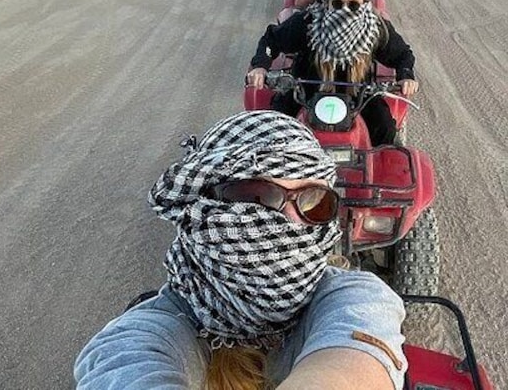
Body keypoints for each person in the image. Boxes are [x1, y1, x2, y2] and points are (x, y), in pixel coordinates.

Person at [74, 110, 407, 390]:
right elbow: (121, 366)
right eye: (257, 196)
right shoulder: (148, 332)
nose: (289, 223)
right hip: (302, 93)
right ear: (202, 202)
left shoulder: (353, 297)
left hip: (348, 97)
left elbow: (358, 348)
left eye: (314, 203)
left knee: (380, 119)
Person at [248, 0, 418, 147]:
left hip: (359, 95)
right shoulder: (308, 22)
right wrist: (260, 65)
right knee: (275, 127)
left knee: (384, 129)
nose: (344, 11)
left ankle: (379, 171)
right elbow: (271, 39)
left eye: (353, 5)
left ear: (364, 3)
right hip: (305, 91)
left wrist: (406, 76)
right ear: (326, 2)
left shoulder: (376, 29)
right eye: (338, 4)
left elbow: (402, 54)